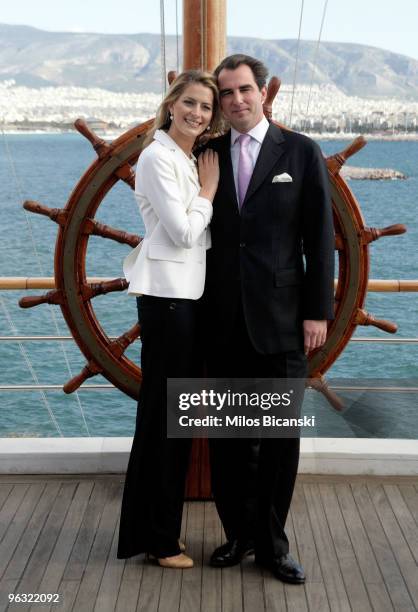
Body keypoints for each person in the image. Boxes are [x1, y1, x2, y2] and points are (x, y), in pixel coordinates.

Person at [204, 54, 335, 583]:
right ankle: (236, 534)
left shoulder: (300, 152)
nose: (236, 100)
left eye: (243, 90)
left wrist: (317, 312)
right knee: (229, 438)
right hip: (221, 319)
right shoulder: (206, 154)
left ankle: (273, 546)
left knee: (280, 441)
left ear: (263, 93)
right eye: (226, 93)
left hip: (283, 321)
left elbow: (319, 239)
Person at [117, 70, 220, 569]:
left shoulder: (180, 155)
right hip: (168, 303)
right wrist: (210, 191)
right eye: (191, 103)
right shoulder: (158, 157)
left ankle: (159, 533)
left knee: (169, 420)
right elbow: (182, 233)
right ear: (172, 103)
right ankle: (158, 540)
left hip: (183, 301)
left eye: (206, 107)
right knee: (163, 422)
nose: (198, 114)